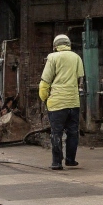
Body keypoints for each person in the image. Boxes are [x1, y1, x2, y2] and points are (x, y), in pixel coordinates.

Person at [38, 33, 85, 170]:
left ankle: (57, 162)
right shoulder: (77, 57)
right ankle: (71, 160)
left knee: (56, 133)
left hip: (57, 103)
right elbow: (80, 79)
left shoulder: (52, 58)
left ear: (55, 46)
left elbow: (45, 82)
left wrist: (44, 97)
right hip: (73, 102)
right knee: (72, 132)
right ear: (68, 44)